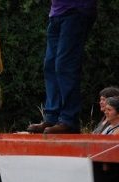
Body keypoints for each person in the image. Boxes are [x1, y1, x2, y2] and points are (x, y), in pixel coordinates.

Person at [27, 0, 97, 134]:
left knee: (65, 65)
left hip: (76, 10)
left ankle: (69, 120)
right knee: (50, 65)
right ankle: (52, 117)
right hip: (57, 13)